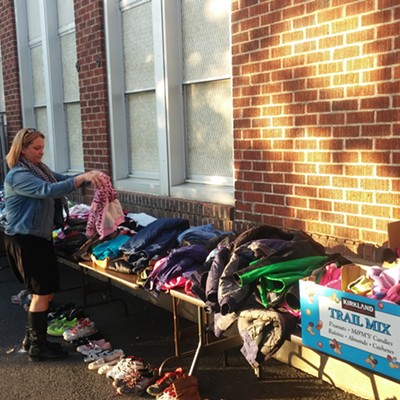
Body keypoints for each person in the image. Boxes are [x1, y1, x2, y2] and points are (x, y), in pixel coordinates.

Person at [3, 127, 106, 361]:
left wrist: (88, 176)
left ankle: (32, 339)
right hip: (25, 239)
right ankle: (38, 347)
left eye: (42, 147)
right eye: (36, 148)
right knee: (41, 292)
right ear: (22, 149)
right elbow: (48, 190)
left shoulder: (40, 169)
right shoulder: (18, 175)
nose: (41, 152)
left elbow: (62, 180)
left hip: (38, 237)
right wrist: (83, 178)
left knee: (45, 292)